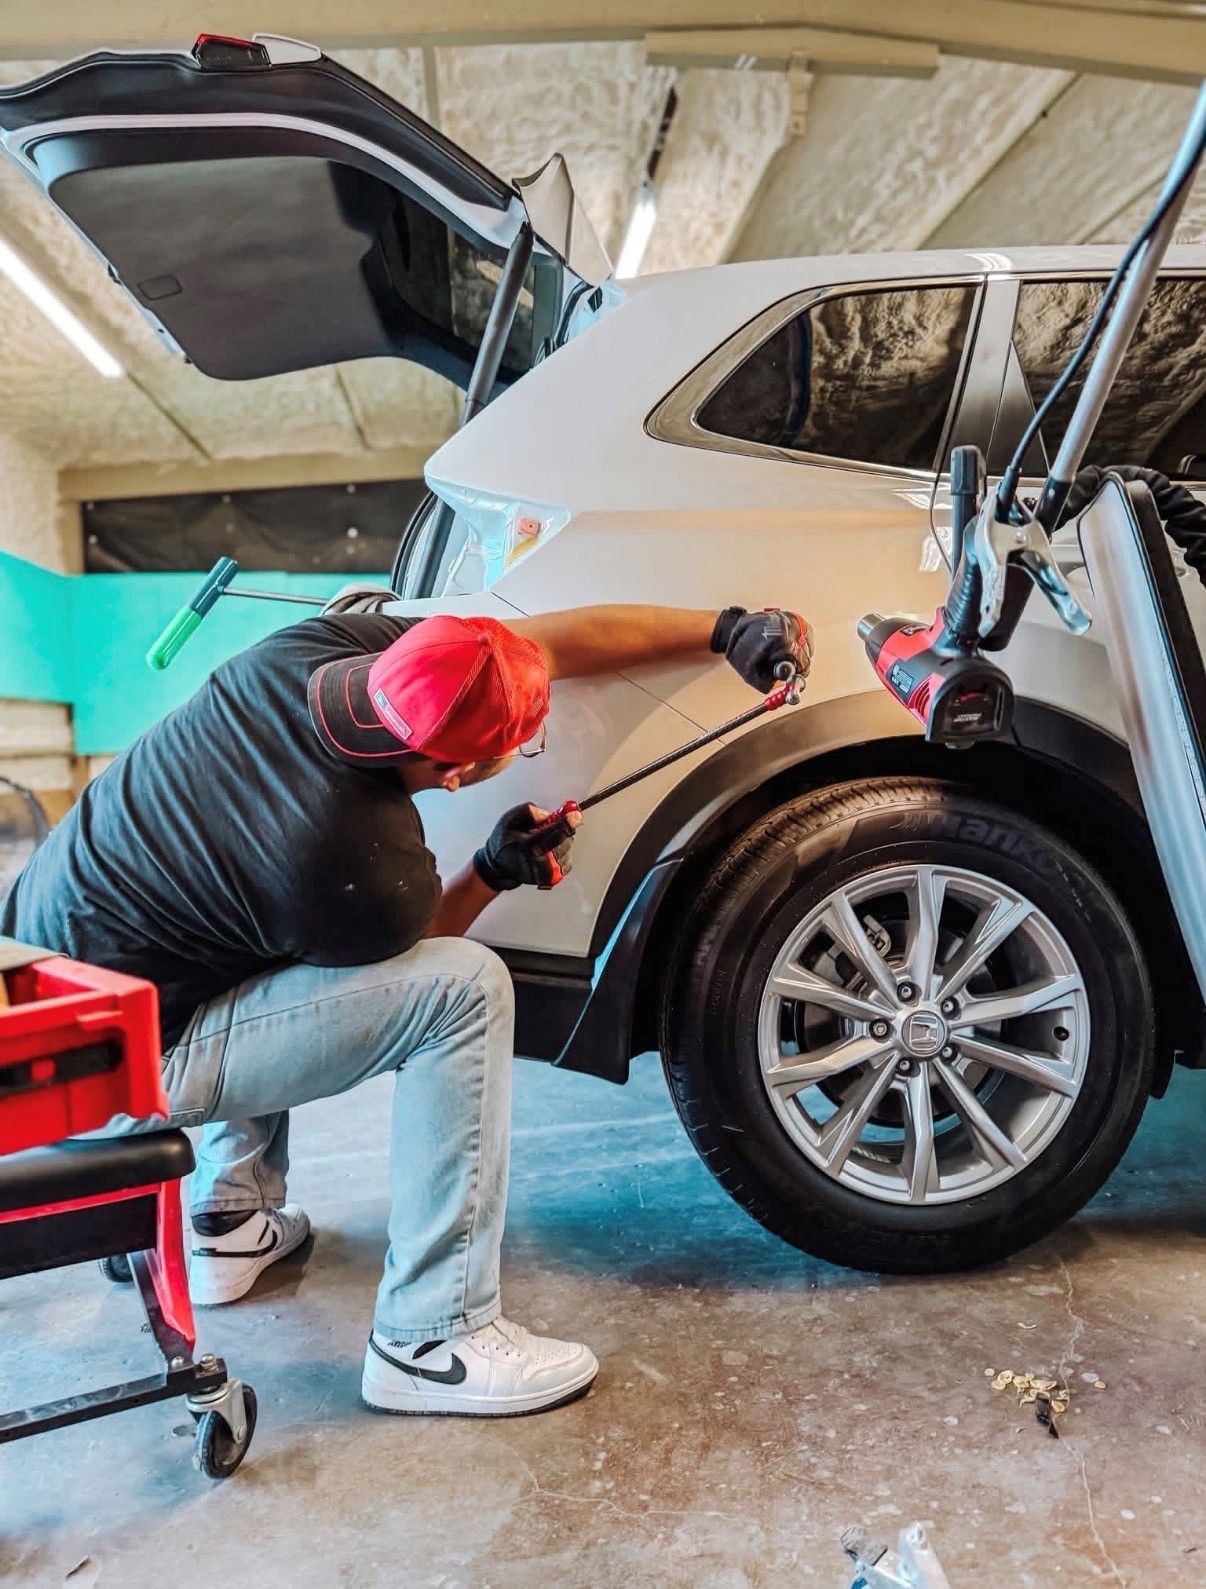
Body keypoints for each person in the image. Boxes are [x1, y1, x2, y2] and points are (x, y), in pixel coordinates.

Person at [1, 601, 811, 1417]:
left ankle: (227, 1215)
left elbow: (549, 642)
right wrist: (490, 871)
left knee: (255, 931)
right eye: (518, 747)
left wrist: (724, 625)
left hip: (39, 990)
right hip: (105, 1072)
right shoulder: (354, 861)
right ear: (456, 772)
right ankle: (431, 1336)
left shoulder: (318, 651)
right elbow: (410, 947)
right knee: (464, 988)